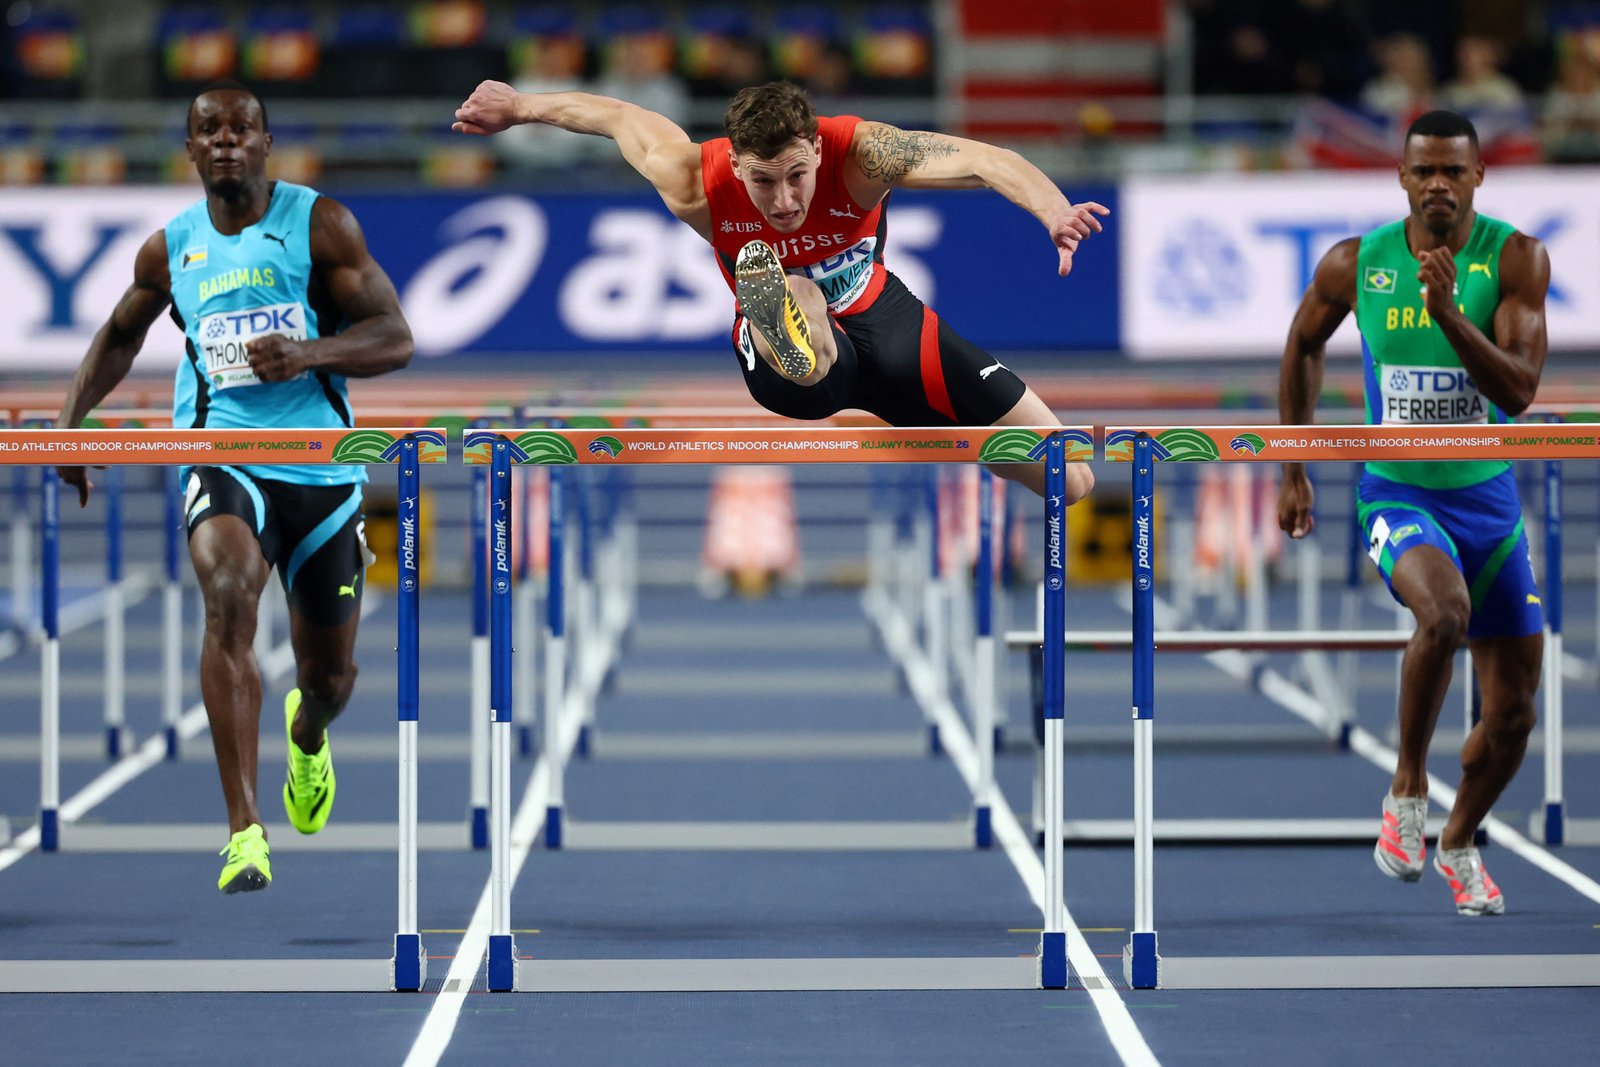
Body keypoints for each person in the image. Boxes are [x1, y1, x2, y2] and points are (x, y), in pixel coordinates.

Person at [54, 81, 413, 894]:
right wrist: (68, 423)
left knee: (330, 680)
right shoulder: (170, 247)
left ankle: (308, 736)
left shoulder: (320, 224)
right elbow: (117, 336)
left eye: (239, 128)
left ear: (264, 142)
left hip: (321, 469)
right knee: (227, 594)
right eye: (207, 130)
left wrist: (308, 354)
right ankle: (244, 829)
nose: (223, 140)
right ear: (189, 150)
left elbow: (396, 336)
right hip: (222, 455)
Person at [452, 78, 1103, 501]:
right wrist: (520, 109)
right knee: (796, 295)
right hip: (793, 361)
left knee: (1069, 477)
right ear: (734, 163)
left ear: (819, 151)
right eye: (763, 181)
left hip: (890, 322)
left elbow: (986, 160)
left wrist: (1053, 211)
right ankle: (790, 320)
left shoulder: (863, 152)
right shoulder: (692, 177)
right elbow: (614, 115)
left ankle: (944, 419)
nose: (785, 200)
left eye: (797, 175)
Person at [1277, 110, 1549, 916]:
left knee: (1513, 714)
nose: (1438, 183)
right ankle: (1406, 794)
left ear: (1478, 178)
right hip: (1398, 491)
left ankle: (1459, 840)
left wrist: (1450, 315)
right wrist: (1294, 465)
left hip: (1489, 504)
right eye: (1423, 170)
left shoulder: (1516, 258)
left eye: (1453, 172)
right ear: (1401, 176)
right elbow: (1302, 344)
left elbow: (1519, 392)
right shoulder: (1357, 262)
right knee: (1444, 614)